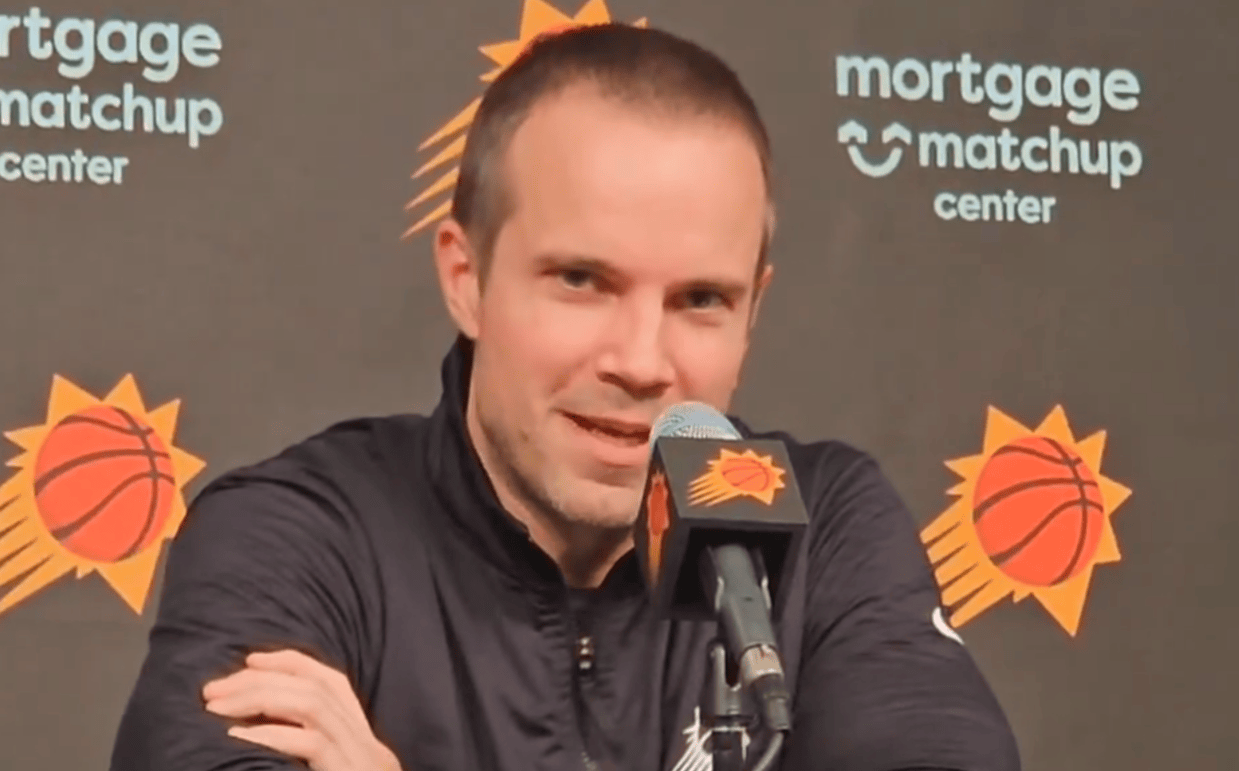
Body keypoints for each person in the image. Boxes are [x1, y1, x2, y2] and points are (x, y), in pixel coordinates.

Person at [110, 23, 1021, 771]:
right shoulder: (295, 533)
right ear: (466, 278)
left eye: (700, 299)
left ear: (753, 311)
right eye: (582, 280)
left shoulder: (826, 527)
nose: (641, 361)